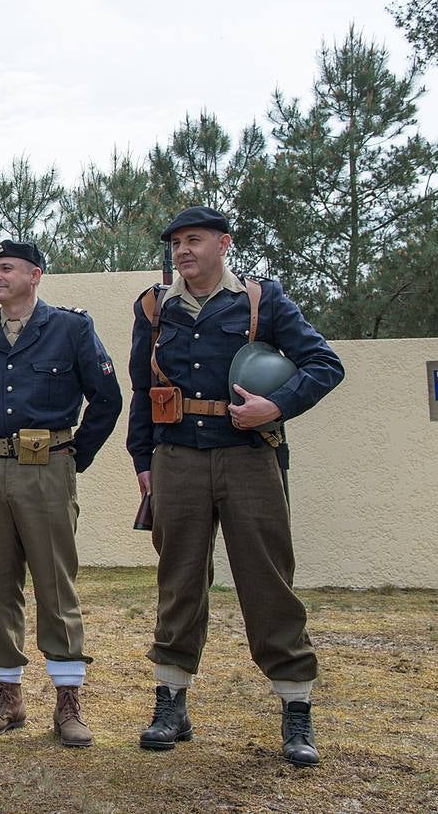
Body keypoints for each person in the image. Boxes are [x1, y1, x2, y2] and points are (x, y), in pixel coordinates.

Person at [126, 206, 344, 766]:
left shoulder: (260, 300)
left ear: (224, 243)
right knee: (178, 579)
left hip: (250, 457)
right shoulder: (153, 308)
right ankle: (170, 701)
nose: (183, 251)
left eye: (194, 240)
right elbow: (141, 388)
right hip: (176, 460)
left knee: (267, 578)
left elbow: (324, 363)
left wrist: (277, 405)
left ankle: (296, 707)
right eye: (176, 243)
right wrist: (142, 460)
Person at [0, 240, 122, 747]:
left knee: (55, 583)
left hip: (47, 467)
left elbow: (108, 399)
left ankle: (68, 699)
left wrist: (73, 457)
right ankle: (7, 694)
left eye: (7, 267)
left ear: (36, 274)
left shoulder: (71, 329)